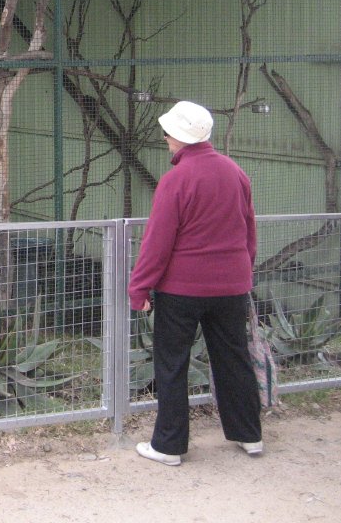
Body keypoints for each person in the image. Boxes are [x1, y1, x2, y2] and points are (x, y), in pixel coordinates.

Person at [127, 100, 262, 466]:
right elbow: (249, 232)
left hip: (182, 290)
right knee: (235, 360)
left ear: (177, 136)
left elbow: (157, 242)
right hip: (232, 287)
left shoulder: (176, 180)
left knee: (172, 365)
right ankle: (249, 435)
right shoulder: (235, 172)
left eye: (168, 132)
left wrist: (139, 287)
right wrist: (242, 273)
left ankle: (168, 446)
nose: (165, 136)